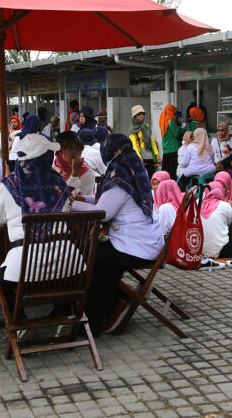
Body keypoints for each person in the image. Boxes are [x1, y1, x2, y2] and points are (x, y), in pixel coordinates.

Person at [71, 134, 164, 336]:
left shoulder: (119, 177)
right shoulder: (130, 168)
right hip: (145, 241)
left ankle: (95, 319)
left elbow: (102, 214)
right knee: (99, 263)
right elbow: (105, 200)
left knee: (87, 256)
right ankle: (112, 306)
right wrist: (81, 199)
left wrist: (72, 205)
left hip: (136, 246)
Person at [0, 134, 72, 315]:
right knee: (67, 277)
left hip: (23, 267)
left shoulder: (9, 184)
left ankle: (19, 322)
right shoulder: (60, 183)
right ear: (45, 158)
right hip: (66, 265)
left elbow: (0, 218)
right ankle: (62, 315)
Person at [53, 131, 95, 197]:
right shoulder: (52, 166)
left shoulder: (87, 172)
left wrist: (75, 174)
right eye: (70, 147)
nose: (75, 151)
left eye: (78, 148)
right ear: (60, 150)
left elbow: (70, 199)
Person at [129, 105, 159, 178]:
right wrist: (139, 157)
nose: (142, 116)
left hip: (149, 157)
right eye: (139, 115)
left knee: (152, 178)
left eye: (143, 114)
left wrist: (156, 153)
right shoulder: (132, 131)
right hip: (140, 159)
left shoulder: (146, 126)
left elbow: (151, 141)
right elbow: (134, 145)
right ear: (134, 117)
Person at [159, 104, 182, 180]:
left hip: (166, 148)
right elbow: (176, 133)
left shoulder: (163, 120)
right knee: (172, 172)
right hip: (174, 148)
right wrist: (184, 130)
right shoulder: (171, 120)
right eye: (173, 111)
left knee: (166, 171)